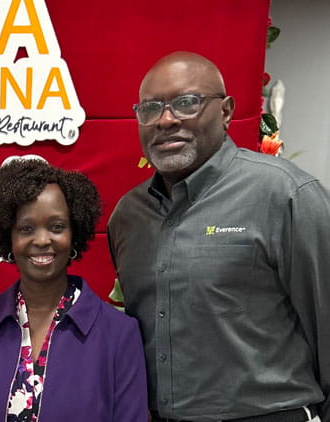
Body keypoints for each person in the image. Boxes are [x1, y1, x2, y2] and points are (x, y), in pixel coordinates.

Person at [108, 51, 330, 422]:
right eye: (150, 109)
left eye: (187, 103)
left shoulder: (285, 194)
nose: (165, 120)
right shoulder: (129, 217)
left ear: (226, 111)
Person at [0, 158, 148, 422]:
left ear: (74, 233)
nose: (42, 240)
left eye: (57, 227)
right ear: (8, 237)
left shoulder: (119, 334)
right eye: (26, 229)